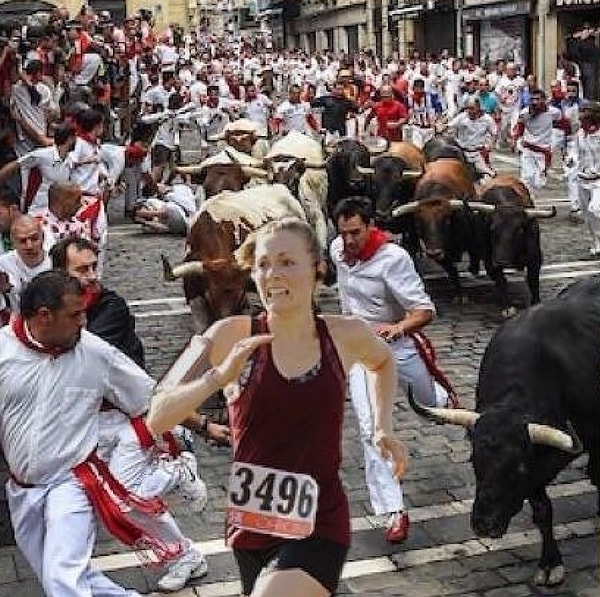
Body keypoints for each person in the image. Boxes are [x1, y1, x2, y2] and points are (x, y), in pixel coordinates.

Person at [145, 217, 409, 597]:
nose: (272, 274)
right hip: (252, 522)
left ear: (317, 269)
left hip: (319, 521)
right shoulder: (226, 335)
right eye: (263, 264)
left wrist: (382, 427)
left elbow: (383, 361)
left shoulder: (346, 334)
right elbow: (157, 416)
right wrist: (216, 378)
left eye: (287, 262)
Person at [0, 271, 200, 597]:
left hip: (72, 481)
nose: (84, 322)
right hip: (22, 490)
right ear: (44, 316)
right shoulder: (4, 351)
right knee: (69, 577)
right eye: (75, 314)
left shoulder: (95, 353)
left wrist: (202, 425)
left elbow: (152, 399)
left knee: (62, 579)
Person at [329, 197, 457, 544]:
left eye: (355, 232)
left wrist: (399, 328)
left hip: (397, 347)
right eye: (343, 233)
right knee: (372, 429)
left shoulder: (394, 259)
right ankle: (393, 510)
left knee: (430, 405)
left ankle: (443, 397)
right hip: (360, 354)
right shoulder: (336, 251)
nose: (349, 241)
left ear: (371, 225)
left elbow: (424, 310)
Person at [0, 123, 75, 213]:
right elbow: (15, 165)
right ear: (70, 139)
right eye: (75, 137)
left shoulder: (69, 160)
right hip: (36, 209)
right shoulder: (42, 155)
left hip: (55, 212)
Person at [0, 216, 51, 318]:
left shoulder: (54, 261)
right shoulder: (2, 264)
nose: (29, 246)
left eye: (34, 238)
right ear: (13, 242)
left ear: (43, 237)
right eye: (22, 241)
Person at [443, 97, 497, 179]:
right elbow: (449, 126)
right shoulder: (461, 117)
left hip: (479, 153)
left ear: (478, 108)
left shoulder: (487, 119)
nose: (469, 111)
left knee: (489, 177)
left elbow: (494, 134)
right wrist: (442, 128)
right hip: (462, 153)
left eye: (472, 108)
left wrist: (490, 146)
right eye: (467, 108)